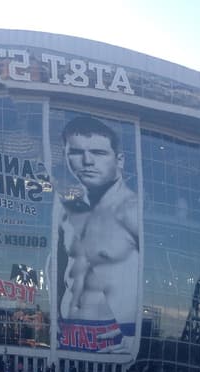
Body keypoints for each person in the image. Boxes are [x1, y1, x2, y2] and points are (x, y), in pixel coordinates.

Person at [55, 116, 140, 355]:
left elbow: (158, 279)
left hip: (110, 339)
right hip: (69, 334)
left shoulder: (131, 210)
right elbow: (61, 271)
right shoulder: (67, 209)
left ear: (119, 160)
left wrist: (137, 339)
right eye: (76, 152)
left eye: (98, 153)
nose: (87, 161)